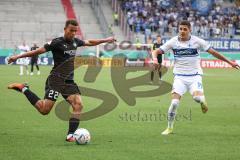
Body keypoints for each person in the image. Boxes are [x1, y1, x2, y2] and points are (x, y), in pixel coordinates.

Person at [7, 19, 116, 142]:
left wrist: (106, 40)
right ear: (65, 29)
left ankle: (70, 135)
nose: (73, 33)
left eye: (75, 31)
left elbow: (90, 42)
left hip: (68, 81)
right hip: (56, 80)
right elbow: (37, 51)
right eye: (71, 31)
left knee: (78, 105)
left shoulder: (75, 42)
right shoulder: (56, 43)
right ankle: (23, 88)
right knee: (44, 110)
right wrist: (17, 56)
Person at [152, 20, 240, 135]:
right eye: (180, 29)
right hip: (179, 77)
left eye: (185, 29)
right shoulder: (173, 41)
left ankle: (203, 101)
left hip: (195, 77)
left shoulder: (197, 41)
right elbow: (156, 52)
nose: (182, 31)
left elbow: (214, 52)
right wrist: (154, 60)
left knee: (197, 99)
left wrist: (230, 62)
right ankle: (169, 128)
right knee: (174, 103)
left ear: (190, 30)